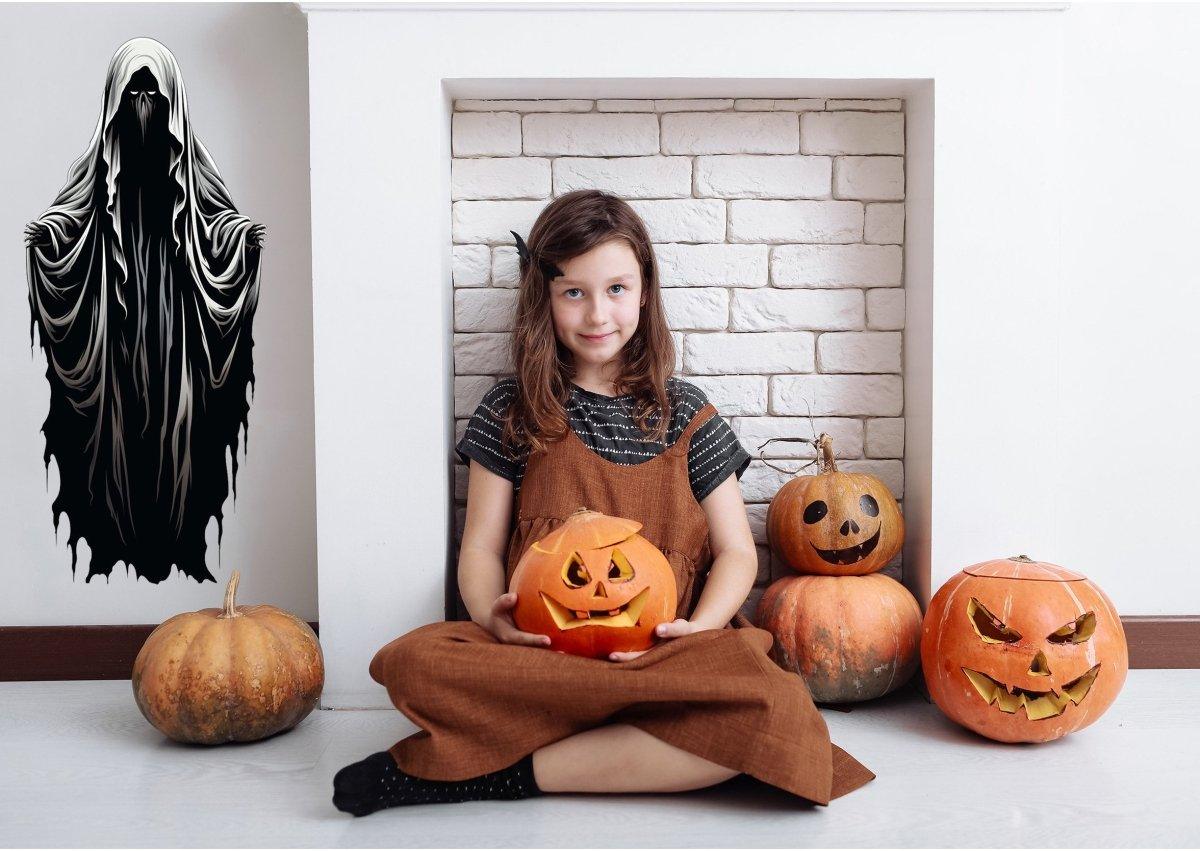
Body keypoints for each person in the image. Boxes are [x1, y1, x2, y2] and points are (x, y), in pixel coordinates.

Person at [332, 189, 875, 817]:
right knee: (414, 664)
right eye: (574, 292)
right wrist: (491, 619)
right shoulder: (511, 411)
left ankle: (487, 773)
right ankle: (617, 744)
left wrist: (698, 631)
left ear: (645, 294)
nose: (598, 313)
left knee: (778, 709)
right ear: (544, 299)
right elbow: (479, 545)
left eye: (616, 289)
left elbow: (735, 553)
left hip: (666, 659)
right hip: (547, 660)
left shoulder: (687, 416)